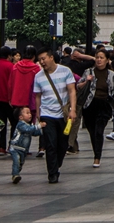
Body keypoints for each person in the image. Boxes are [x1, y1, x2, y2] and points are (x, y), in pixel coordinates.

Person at [29, 48, 78, 183]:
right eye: (40, 60)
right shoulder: (38, 76)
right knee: (50, 144)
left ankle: (56, 164)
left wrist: (73, 110)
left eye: (44, 59)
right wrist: (38, 114)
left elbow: (72, 91)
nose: (42, 62)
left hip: (63, 114)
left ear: (51, 57)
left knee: (62, 144)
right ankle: (52, 173)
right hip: (47, 114)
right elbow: (38, 96)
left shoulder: (65, 71)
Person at [79, 50, 114, 167]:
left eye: (101, 57)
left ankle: (97, 157)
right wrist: (87, 81)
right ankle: (96, 152)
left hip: (104, 105)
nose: (99, 60)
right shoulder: (88, 72)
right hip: (90, 105)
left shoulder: (112, 75)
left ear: (107, 60)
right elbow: (78, 86)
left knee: (99, 131)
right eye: (97, 57)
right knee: (92, 131)